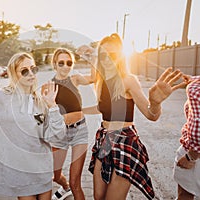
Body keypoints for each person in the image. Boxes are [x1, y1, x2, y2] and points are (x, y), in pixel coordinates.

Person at [82, 33, 185, 200]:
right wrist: (80, 110)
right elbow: (104, 109)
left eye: (113, 54)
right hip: (104, 139)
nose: (107, 59)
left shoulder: (129, 80)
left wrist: (156, 103)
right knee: (98, 196)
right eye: (103, 55)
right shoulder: (100, 81)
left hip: (125, 142)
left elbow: (151, 115)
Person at [0, 52, 66, 200]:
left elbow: (56, 136)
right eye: (24, 71)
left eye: (33, 69)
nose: (31, 74)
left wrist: (52, 106)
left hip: (42, 169)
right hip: (19, 171)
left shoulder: (39, 99)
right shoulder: (1, 98)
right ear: (13, 74)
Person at [48, 47, 95, 200]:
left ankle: (71, 187)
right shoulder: (49, 86)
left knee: (76, 182)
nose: (66, 66)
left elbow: (94, 78)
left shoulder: (75, 79)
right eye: (61, 63)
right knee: (55, 176)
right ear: (54, 64)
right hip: (59, 134)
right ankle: (65, 187)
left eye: (69, 63)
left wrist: (92, 56)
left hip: (79, 131)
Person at [173, 74, 200, 200]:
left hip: (195, 154)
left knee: (185, 196)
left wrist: (191, 156)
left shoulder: (196, 89)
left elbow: (198, 126)